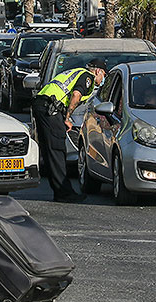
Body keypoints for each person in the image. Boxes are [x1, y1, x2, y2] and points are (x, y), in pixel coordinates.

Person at [32, 58, 107, 203]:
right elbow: (76, 95)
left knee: (50, 151)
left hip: (42, 105)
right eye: (103, 74)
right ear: (98, 71)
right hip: (50, 109)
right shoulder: (88, 77)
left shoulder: (75, 72)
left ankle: (60, 191)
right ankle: (64, 193)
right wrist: (67, 118)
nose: (102, 79)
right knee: (57, 150)